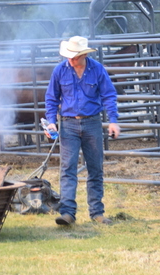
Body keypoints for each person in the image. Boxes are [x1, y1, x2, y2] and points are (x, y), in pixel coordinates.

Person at [44, 36, 120, 226]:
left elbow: (109, 95)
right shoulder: (60, 70)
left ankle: (97, 212)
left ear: (84, 54)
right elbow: (52, 98)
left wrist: (113, 120)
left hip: (92, 122)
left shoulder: (97, 69)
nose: (71, 59)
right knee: (68, 168)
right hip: (68, 123)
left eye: (75, 56)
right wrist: (51, 122)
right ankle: (67, 212)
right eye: (69, 55)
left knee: (95, 168)